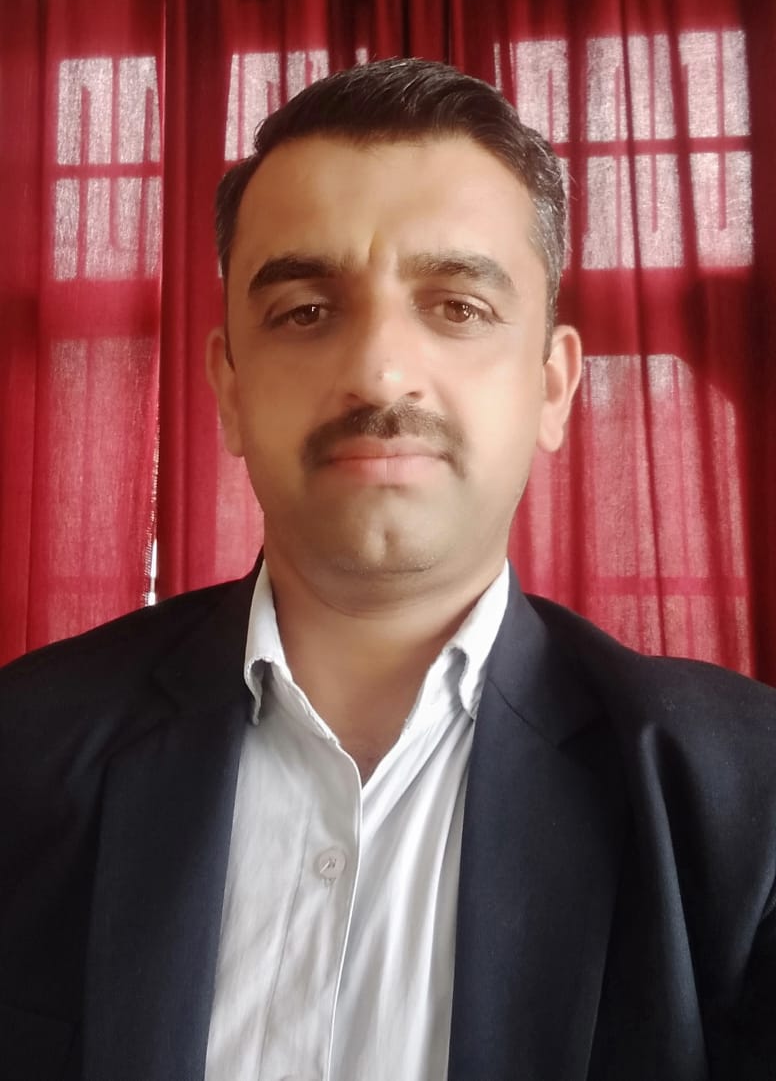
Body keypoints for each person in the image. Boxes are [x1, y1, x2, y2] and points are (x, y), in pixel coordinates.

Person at [1, 57, 775, 1081]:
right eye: (305, 311)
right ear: (228, 390)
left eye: (456, 306)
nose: (378, 372)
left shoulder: (747, 798)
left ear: (552, 387)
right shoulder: (21, 749)